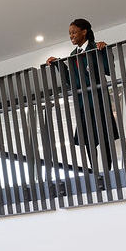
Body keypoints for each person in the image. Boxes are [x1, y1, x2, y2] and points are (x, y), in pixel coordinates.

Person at [45, 18, 117, 174]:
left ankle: (108, 171)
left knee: (104, 136)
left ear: (84, 31)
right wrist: (59, 64)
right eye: (70, 33)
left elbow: (108, 70)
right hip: (83, 103)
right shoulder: (73, 54)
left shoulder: (96, 47)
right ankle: (95, 171)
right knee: (88, 139)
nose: (71, 36)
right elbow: (71, 82)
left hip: (98, 100)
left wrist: (104, 51)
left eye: (74, 32)